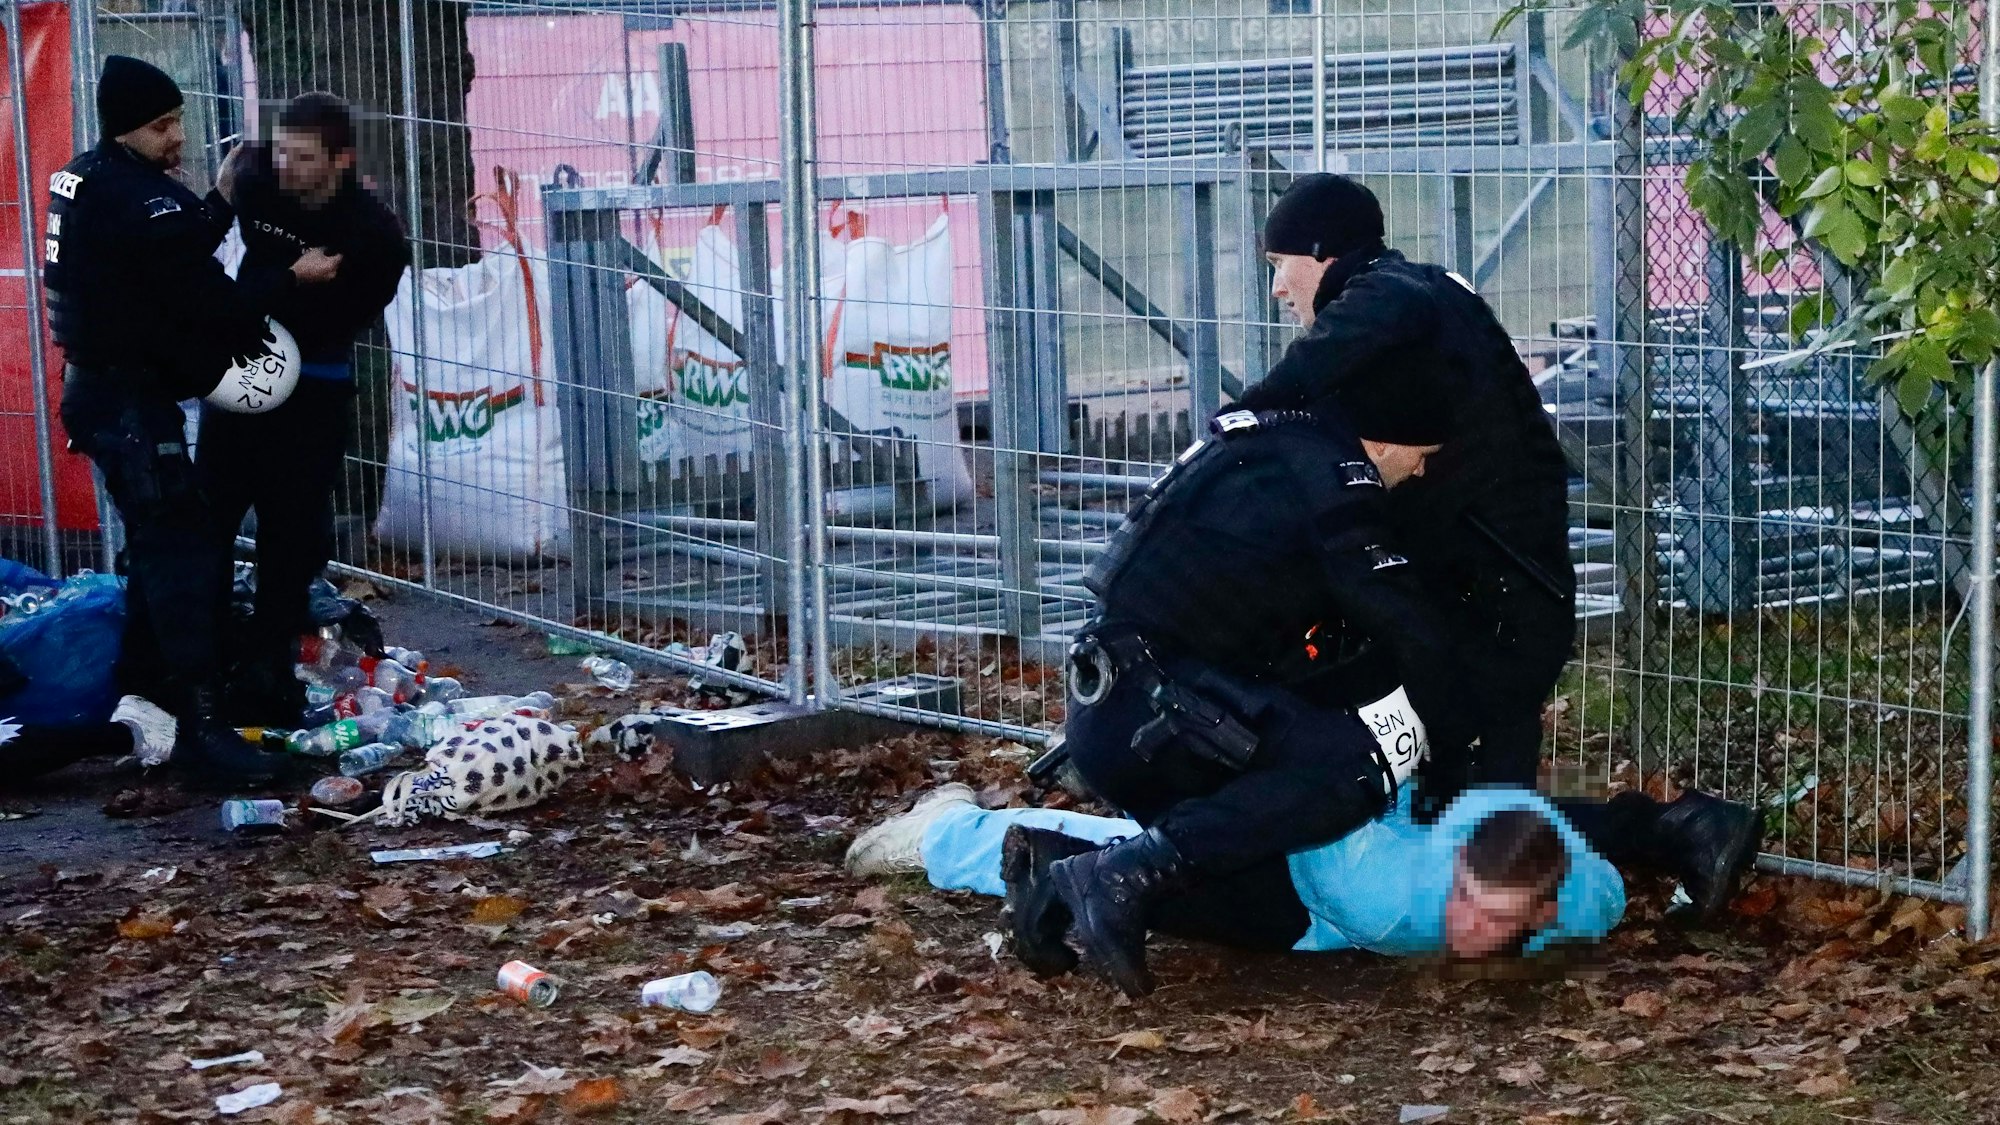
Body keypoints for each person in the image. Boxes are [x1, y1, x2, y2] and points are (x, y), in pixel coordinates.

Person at [43, 56, 339, 783]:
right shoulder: (139, 198)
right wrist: (288, 276)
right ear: (125, 129)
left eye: (177, 120)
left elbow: (168, 248)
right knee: (185, 561)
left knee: (162, 550)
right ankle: (202, 731)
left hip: (104, 394)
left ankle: (146, 700)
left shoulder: (87, 178)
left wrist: (218, 202)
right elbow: (213, 301)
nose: (177, 136)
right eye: (161, 126)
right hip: (128, 404)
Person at [1246, 172, 1576, 798]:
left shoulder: (1389, 294)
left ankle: (1657, 831)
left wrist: (1232, 426)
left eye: (1279, 264)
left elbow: (1302, 377)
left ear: (1322, 252)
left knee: (1474, 788)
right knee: (1472, 785)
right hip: (1506, 584)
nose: (1278, 288)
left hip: (1498, 595)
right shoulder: (1427, 298)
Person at [847, 783, 1626, 967]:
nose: (1467, 924)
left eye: (1495, 917)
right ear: (1455, 864)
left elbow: (1597, 882)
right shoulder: (1388, 898)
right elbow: (1315, 807)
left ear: (1544, 909)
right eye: (1467, 900)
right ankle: (944, 833)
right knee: (1138, 855)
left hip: (1338, 867)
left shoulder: (1581, 899)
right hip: (1306, 857)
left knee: (1135, 852)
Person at [199, 92, 409, 724]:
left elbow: (334, 321)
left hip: (312, 387)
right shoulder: (255, 176)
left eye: (304, 156)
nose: (287, 165)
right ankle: (197, 669)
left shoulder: (373, 237)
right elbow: (208, 276)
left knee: (290, 543)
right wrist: (284, 278)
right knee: (206, 526)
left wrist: (267, 298)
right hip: (239, 375)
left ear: (342, 159)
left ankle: (269, 678)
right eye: (281, 150)